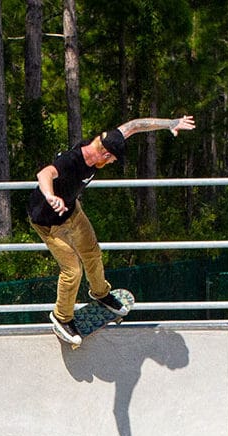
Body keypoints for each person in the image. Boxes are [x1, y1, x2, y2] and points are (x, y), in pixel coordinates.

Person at [28, 115, 197, 344]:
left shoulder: (108, 139)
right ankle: (62, 317)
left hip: (73, 212)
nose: (110, 164)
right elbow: (44, 174)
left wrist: (170, 123)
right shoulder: (71, 160)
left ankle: (100, 293)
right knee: (72, 271)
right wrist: (50, 196)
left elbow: (135, 125)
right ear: (105, 154)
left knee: (93, 253)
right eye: (111, 160)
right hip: (47, 223)